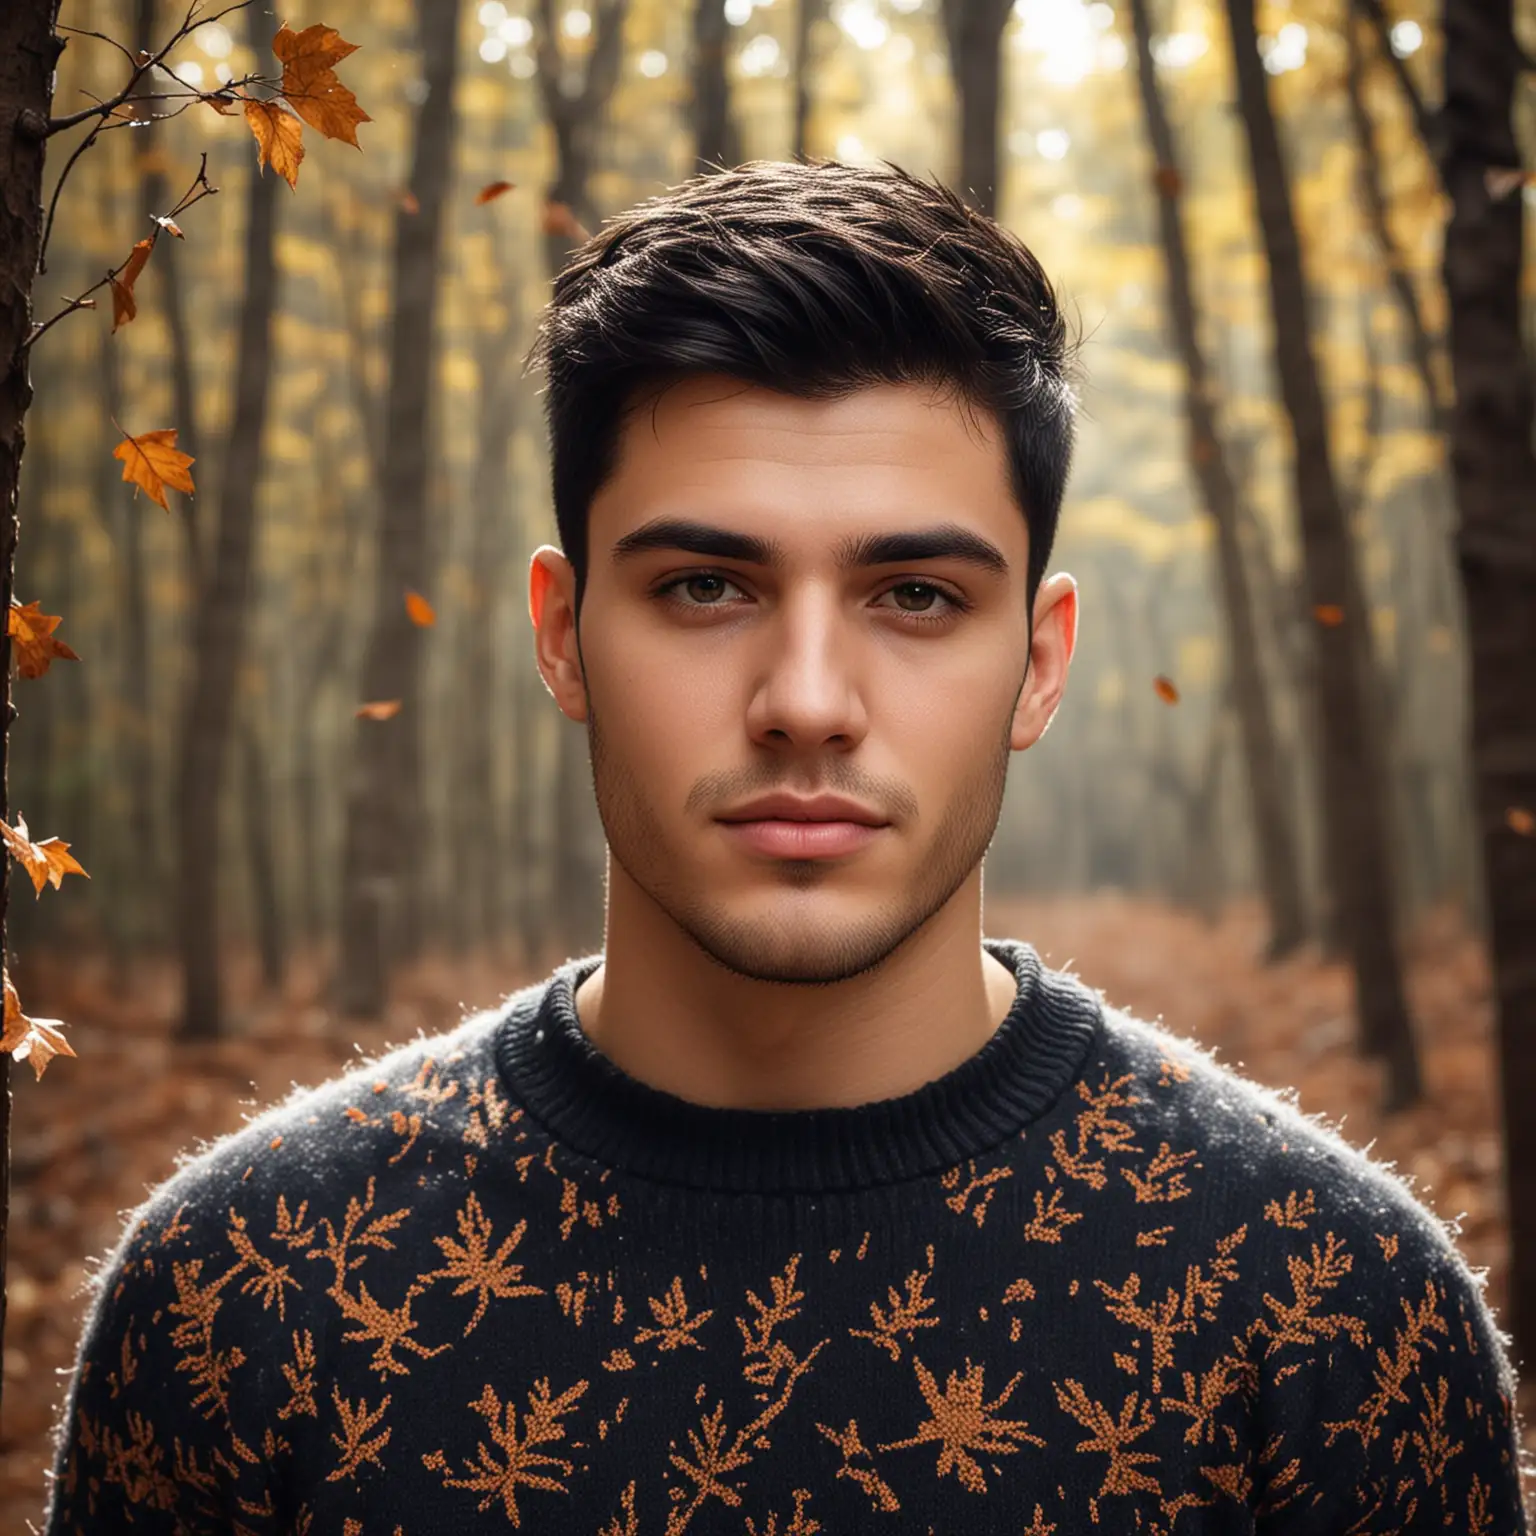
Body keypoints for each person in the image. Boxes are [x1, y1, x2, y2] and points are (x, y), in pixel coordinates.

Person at [46, 158, 1528, 1535]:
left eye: (918, 598)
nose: (807, 704)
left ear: (1042, 660)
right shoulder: (249, 1291)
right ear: (562, 638)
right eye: (704, 587)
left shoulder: (1333, 1307)